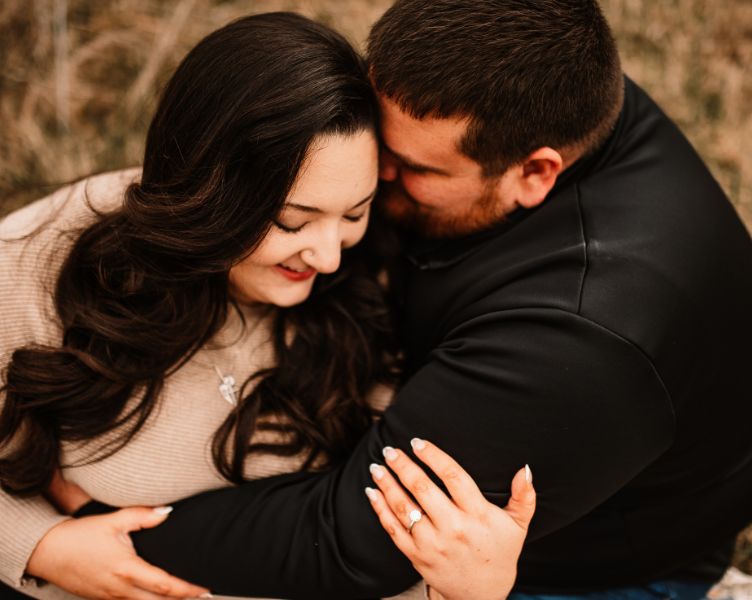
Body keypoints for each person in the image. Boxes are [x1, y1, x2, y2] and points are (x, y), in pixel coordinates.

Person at [50, 0, 749, 598]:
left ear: (536, 173)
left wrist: (115, 527)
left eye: (410, 168)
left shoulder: (583, 333)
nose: (373, 173)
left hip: (584, 567)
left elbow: (352, 539)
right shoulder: (530, 83)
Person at [0, 12, 535, 600]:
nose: (330, 256)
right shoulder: (38, 267)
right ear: (209, 194)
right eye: (292, 221)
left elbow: (379, 539)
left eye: (355, 213)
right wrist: (37, 545)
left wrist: (467, 592)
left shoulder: (372, 281)